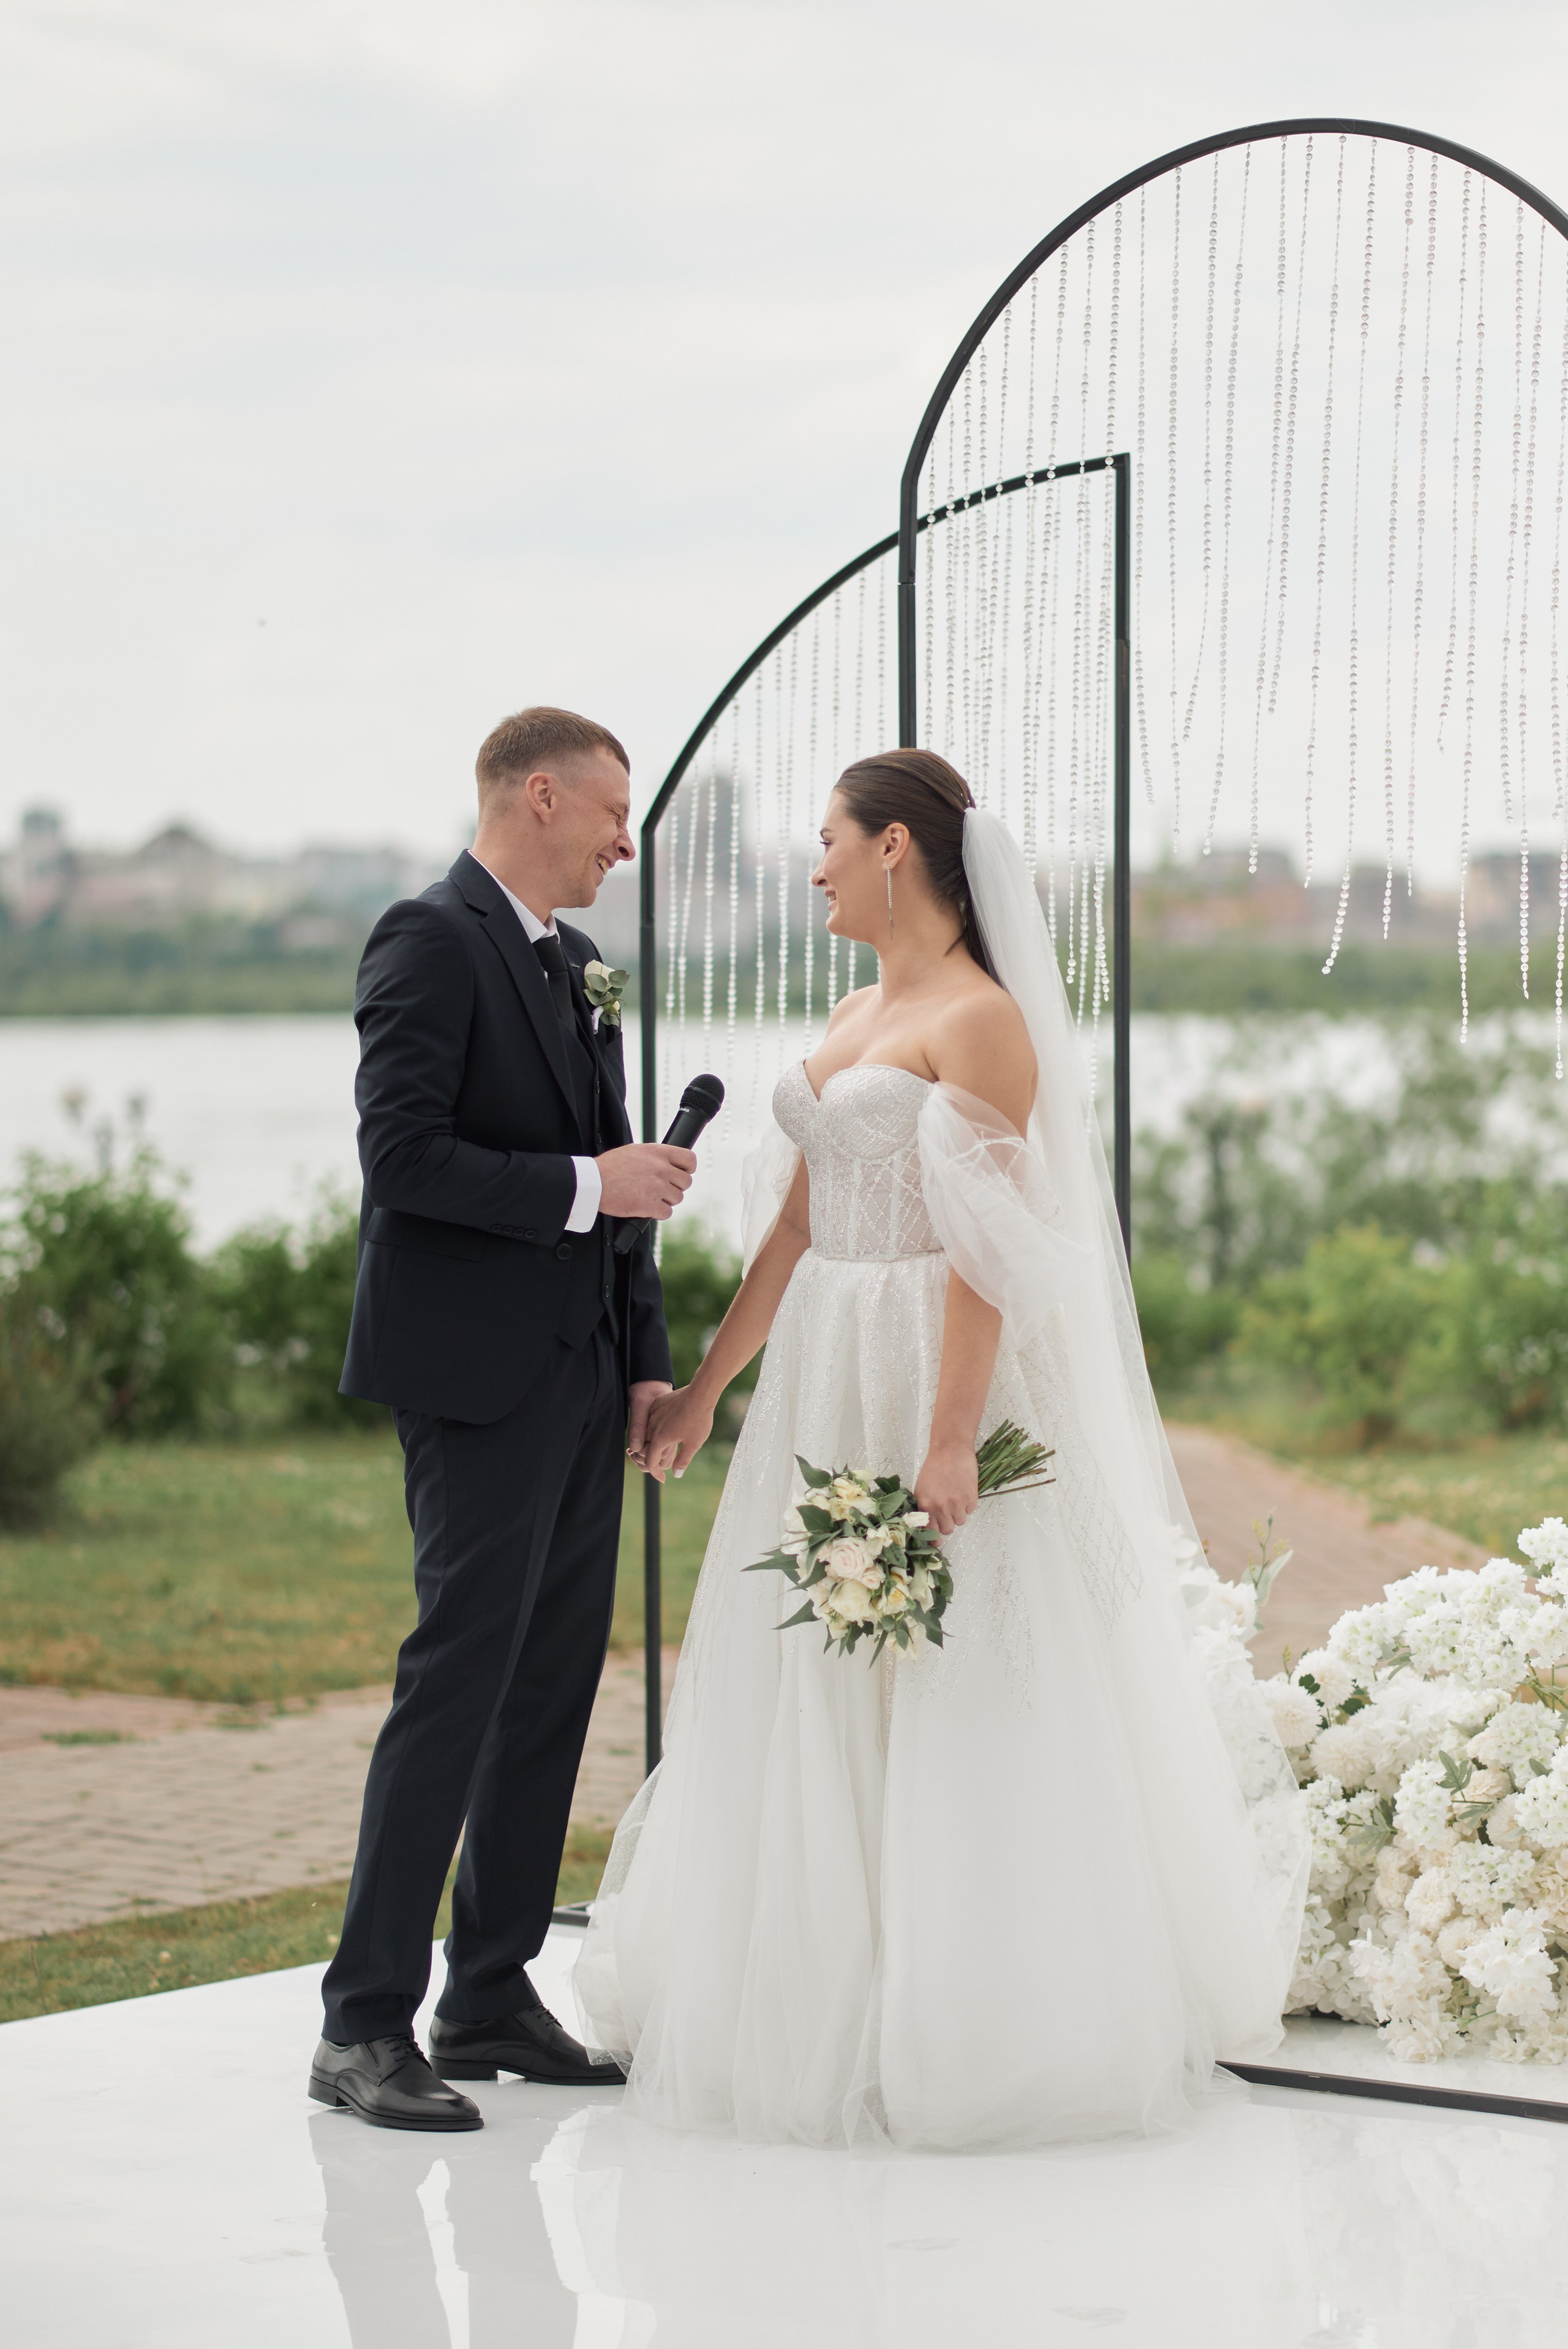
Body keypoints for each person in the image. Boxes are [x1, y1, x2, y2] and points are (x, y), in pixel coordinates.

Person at [573, 748, 1307, 2152]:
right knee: (811, 1667)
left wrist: (952, 1437)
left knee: (953, 1669)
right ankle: (816, 1990)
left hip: (926, 1359)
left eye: (829, 840)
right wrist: (707, 1391)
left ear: (898, 848)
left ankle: (970, 2005)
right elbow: (792, 1228)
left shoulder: (982, 1021)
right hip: (820, 1371)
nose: (815, 867)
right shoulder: (856, 1006)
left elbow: (982, 1252)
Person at [310, 706, 696, 2133]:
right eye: (608, 813)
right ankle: (360, 2026)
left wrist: (645, 1361)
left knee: (548, 1694)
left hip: (585, 1374)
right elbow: (404, 1160)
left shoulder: (580, 966)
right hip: (472, 1380)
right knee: (455, 1685)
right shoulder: (426, 938)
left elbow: (626, 1194)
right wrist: (589, 1186)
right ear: (537, 794)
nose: (620, 840)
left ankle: (486, 1994)